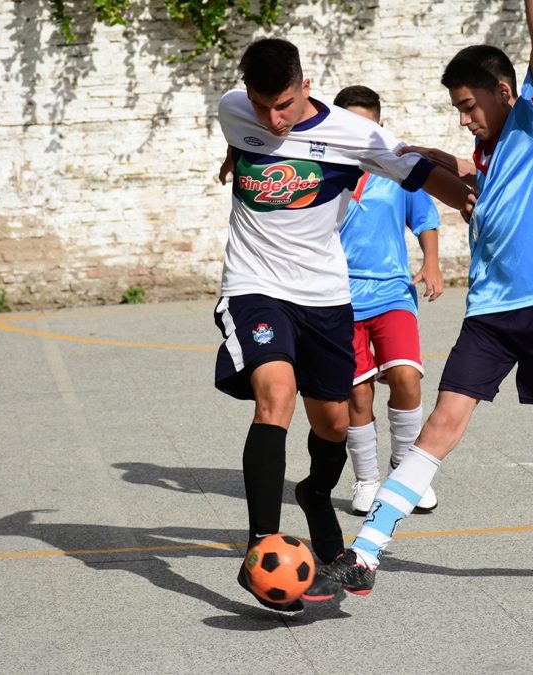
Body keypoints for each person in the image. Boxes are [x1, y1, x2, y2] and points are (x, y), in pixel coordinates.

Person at [304, 0, 533, 601]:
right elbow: (450, 172)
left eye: (470, 106)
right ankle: (366, 554)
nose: (465, 119)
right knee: (441, 424)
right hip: (490, 313)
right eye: (458, 110)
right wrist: (393, 149)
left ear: (503, 91)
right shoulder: (484, 158)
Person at [214, 38, 471, 612]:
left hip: (327, 299)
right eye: (261, 106)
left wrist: (471, 203)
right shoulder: (235, 108)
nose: (271, 119)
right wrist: (236, 153)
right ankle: (261, 548)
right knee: (275, 394)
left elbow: (421, 172)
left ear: (306, 87)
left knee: (332, 424)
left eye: (282, 105)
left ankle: (315, 494)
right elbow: (240, 133)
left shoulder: (353, 136)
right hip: (254, 288)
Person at [331, 85, 442, 517]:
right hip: (337, 298)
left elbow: (426, 218)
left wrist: (431, 263)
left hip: (392, 290)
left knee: (405, 376)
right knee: (357, 394)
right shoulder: (321, 168)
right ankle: (366, 480)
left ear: (379, 125)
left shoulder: (397, 168)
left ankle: (405, 472)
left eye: (368, 124)